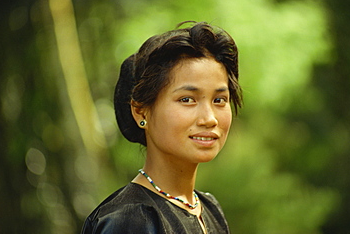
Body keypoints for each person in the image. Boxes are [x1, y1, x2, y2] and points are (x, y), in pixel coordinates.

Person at [81, 21, 242, 234]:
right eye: (187, 99)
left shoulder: (209, 208)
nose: (209, 118)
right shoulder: (130, 220)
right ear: (140, 111)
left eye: (220, 100)